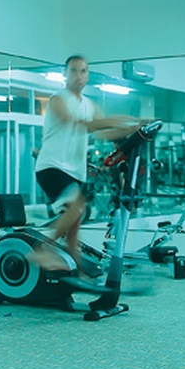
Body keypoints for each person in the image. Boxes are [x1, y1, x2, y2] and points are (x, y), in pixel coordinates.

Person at [31, 55, 144, 271]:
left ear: (87, 75)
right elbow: (84, 124)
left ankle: (74, 267)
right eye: (74, 70)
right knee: (77, 207)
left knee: (75, 222)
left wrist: (134, 130)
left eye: (83, 71)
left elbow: (106, 134)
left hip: (75, 171)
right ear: (65, 73)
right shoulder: (58, 100)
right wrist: (122, 120)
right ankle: (42, 249)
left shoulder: (89, 105)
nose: (79, 76)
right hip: (51, 166)